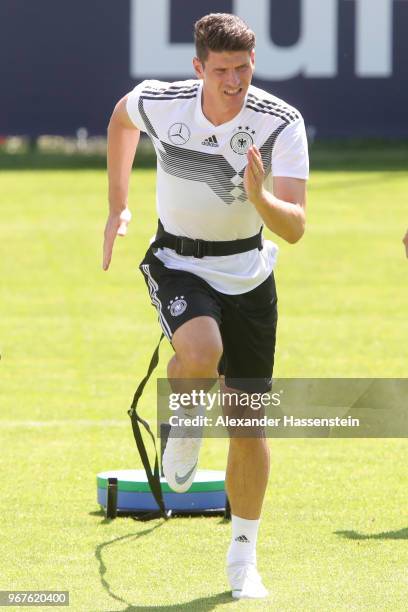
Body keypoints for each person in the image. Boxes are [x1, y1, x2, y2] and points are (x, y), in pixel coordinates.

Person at [103, 13, 309, 600]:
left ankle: (243, 556)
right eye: (221, 70)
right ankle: (186, 424)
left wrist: (260, 196)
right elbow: (120, 119)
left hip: (249, 271)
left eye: (243, 69)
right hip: (176, 260)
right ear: (198, 68)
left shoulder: (279, 122)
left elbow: (293, 229)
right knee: (200, 349)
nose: (234, 82)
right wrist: (118, 204)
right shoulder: (163, 103)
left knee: (248, 426)